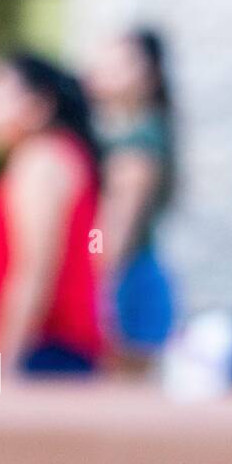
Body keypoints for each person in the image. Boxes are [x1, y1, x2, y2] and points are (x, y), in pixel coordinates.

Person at [0, 53, 103, 374]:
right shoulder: (38, 158)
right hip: (36, 352)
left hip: (41, 356)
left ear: (39, 106)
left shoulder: (42, 159)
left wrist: (1, 367)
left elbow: (34, 271)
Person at [84, 28, 177, 377]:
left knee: (122, 399)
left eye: (119, 63)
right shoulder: (120, 134)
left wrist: (95, 294)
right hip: (131, 275)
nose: (103, 70)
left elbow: (115, 232)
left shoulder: (139, 144)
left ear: (148, 75)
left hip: (125, 279)